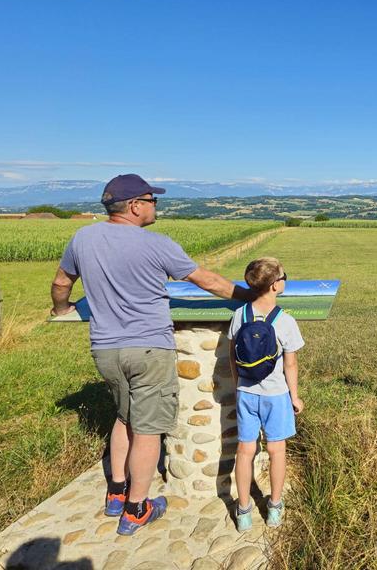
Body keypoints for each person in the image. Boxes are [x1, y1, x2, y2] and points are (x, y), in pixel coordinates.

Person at [49, 174, 252, 536]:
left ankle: (116, 491)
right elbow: (208, 281)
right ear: (135, 206)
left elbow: (62, 283)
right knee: (147, 431)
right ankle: (136, 508)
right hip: (149, 347)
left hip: (105, 349)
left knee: (124, 418)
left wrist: (61, 309)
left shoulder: (82, 238)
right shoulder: (156, 245)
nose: (156, 205)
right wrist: (251, 297)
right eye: (152, 200)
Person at [230, 257, 304, 530]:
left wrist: (239, 383)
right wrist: (294, 396)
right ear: (275, 285)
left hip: (246, 393)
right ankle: (274, 507)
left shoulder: (240, 315)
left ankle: (244, 511)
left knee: (245, 451)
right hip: (276, 395)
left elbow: (231, 355)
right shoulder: (285, 321)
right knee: (276, 450)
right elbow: (291, 363)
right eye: (285, 276)